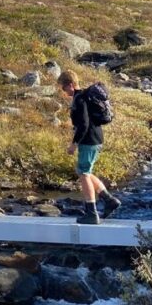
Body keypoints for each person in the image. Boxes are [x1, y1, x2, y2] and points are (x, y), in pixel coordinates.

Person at [57, 71, 120, 224]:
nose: (64, 92)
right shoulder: (84, 96)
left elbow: (83, 124)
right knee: (83, 171)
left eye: (64, 88)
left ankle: (91, 213)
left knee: (84, 173)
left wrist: (74, 143)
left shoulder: (80, 99)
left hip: (89, 140)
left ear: (70, 84)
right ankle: (109, 200)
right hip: (95, 138)